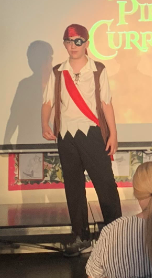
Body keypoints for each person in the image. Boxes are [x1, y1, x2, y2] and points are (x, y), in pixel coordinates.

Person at [41, 24, 121, 254]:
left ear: (86, 43)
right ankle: (80, 236)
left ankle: (116, 235)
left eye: (78, 41)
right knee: (73, 187)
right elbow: (48, 102)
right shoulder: (58, 72)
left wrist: (113, 134)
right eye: (69, 41)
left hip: (92, 133)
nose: (73, 46)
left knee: (105, 184)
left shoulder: (98, 70)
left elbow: (106, 103)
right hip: (66, 136)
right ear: (64, 44)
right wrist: (44, 124)